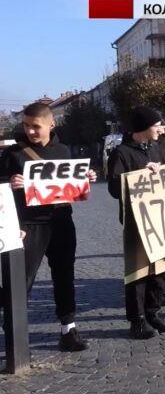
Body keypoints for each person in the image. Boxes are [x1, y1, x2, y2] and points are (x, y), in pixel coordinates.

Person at [0, 102, 96, 351]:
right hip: (27, 225)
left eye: (35, 126)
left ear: (51, 124)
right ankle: (13, 334)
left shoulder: (64, 151)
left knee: (64, 277)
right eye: (25, 126)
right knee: (22, 280)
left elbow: (69, 183)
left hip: (61, 221)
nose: (30, 131)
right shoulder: (13, 154)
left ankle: (68, 330)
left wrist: (86, 178)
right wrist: (9, 182)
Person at [107, 106, 165, 339]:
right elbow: (115, 188)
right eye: (157, 125)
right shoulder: (122, 153)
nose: (161, 129)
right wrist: (141, 174)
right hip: (136, 221)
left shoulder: (157, 149)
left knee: (159, 270)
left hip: (159, 218)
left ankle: (152, 311)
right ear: (145, 127)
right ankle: (136, 320)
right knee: (138, 273)